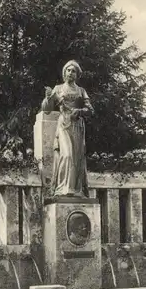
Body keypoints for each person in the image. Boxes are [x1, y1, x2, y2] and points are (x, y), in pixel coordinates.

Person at [41, 60, 94, 197]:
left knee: (77, 159)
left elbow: (90, 110)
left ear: (77, 74)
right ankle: (62, 188)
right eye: (68, 70)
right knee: (67, 155)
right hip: (64, 125)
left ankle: (76, 190)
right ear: (64, 73)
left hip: (77, 127)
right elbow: (46, 110)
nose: (70, 73)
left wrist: (80, 111)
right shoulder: (58, 89)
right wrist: (48, 98)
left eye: (73, 71)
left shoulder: (81, 91)